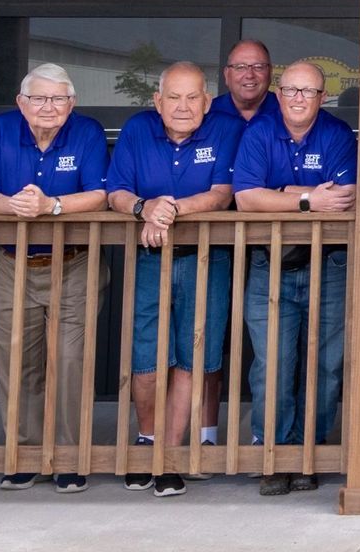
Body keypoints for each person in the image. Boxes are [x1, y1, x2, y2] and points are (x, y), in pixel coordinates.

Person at [0, 62, 109, 495]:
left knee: (71, 361)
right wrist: (15, 206)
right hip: (13, 263)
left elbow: (101, 194)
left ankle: (69, 458)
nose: (49, 107)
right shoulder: (0, 129)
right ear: (21, 103)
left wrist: (53, 206)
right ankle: (25, 456)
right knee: (15, 361)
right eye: (39, 98)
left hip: (74, 262)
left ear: (72, 103)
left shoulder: (87, 132)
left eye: (59, 98)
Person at [105, 62, 237, 499]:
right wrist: (145, 207)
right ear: (157, 102)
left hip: (207, 258)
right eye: (173, 98)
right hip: (148, 257)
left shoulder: (224, 130)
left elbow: (221, 195)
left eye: (192, 97)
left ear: (207, 101)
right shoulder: (137, 130)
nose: (183, 106)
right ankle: (147, 442)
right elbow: (116, 192)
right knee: (146, 357)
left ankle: (169, 452)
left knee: (192, 353)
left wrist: (170, 209)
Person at [233, 59, 357, 494]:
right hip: (272, 266)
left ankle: (309, 452)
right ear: (278, 94)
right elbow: (247, 198)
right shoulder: (259, 133)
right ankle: (273, 454)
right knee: (272, 363)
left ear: (323, 97)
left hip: (331, 267)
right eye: (290, 90)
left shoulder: (338, 135)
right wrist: (305, 198)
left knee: (325, 365)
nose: (298, 99)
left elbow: (343, 197)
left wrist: (280, 193)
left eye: (308, 92)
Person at [201, 39, 278, 450]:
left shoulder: (285, 112)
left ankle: (268, 434)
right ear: (226, 73)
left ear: (271, 73)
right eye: (240, 66)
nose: (249, 74)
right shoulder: (207, 113)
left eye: (258, 66)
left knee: (272, 346)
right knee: (209, 337)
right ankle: (207, 435)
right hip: (214, 243)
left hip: (272, 246)